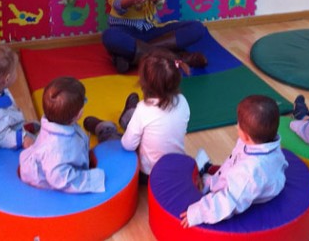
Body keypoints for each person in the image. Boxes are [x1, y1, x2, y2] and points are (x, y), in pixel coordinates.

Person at [84, 48, 190, 184]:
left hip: (147, 173)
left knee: (114, 139)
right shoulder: (182, 101)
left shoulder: (144, 109)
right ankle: (128, 115)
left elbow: (127, 145)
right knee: (144, 124)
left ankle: (104, 127)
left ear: (143, 84)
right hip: (173, 166)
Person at [180, 95, 287, 227]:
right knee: (226, 169)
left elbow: (229, 200)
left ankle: (207, 183)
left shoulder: (249, 171)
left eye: (238, 125)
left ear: (247, 136)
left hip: (246, 189)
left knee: (212, 188)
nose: (237, 126)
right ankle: (210, 173)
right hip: (255, 179)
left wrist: (198, 213)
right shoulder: (265, 142)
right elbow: (235, 160)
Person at [19, 77, 105, 193]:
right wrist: (94, 179)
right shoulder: (58, 150)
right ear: (78, 114)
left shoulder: (59, 123)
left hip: (49, 162)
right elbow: (60, 179)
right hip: (43, 179)